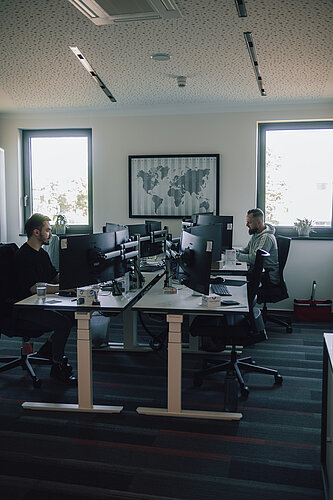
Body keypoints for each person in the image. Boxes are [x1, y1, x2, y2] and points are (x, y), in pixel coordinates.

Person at [12, 213, 77, 385]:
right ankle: (57, 366)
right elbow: (35, 288)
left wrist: (75, 281)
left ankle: (48, 350)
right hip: (24, 309)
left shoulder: (41, 254)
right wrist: (63, 288)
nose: (50, 234)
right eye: (47, 230)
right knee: (62, 323)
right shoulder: (23, 256)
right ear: (36, 232)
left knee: (71, 315)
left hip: (39, 304)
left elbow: (54, 276)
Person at [236, 208, 280, 286]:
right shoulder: (256, 234)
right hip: (258, 273)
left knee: (238, 280)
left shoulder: (266, 237)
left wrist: (235, 256)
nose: (246, 225)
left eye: (249, 222)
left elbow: (255, 259)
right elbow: (246, 250)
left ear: (259, 223)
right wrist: (233, 251)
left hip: (267, 278)